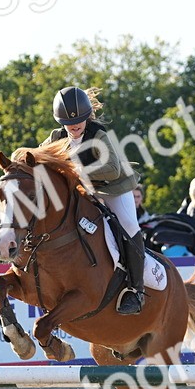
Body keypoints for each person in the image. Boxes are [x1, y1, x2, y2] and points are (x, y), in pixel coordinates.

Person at [41, 85, 144, 315]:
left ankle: (136, 291)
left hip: (114, 187)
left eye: (79, 120)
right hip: (84, 189)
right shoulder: (56, 138)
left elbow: (112, 169)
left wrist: (75, 171)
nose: (74, 126)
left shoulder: (98, 134)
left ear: (88, 117)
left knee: (127, 225)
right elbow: (37, 158)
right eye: (68, 122)